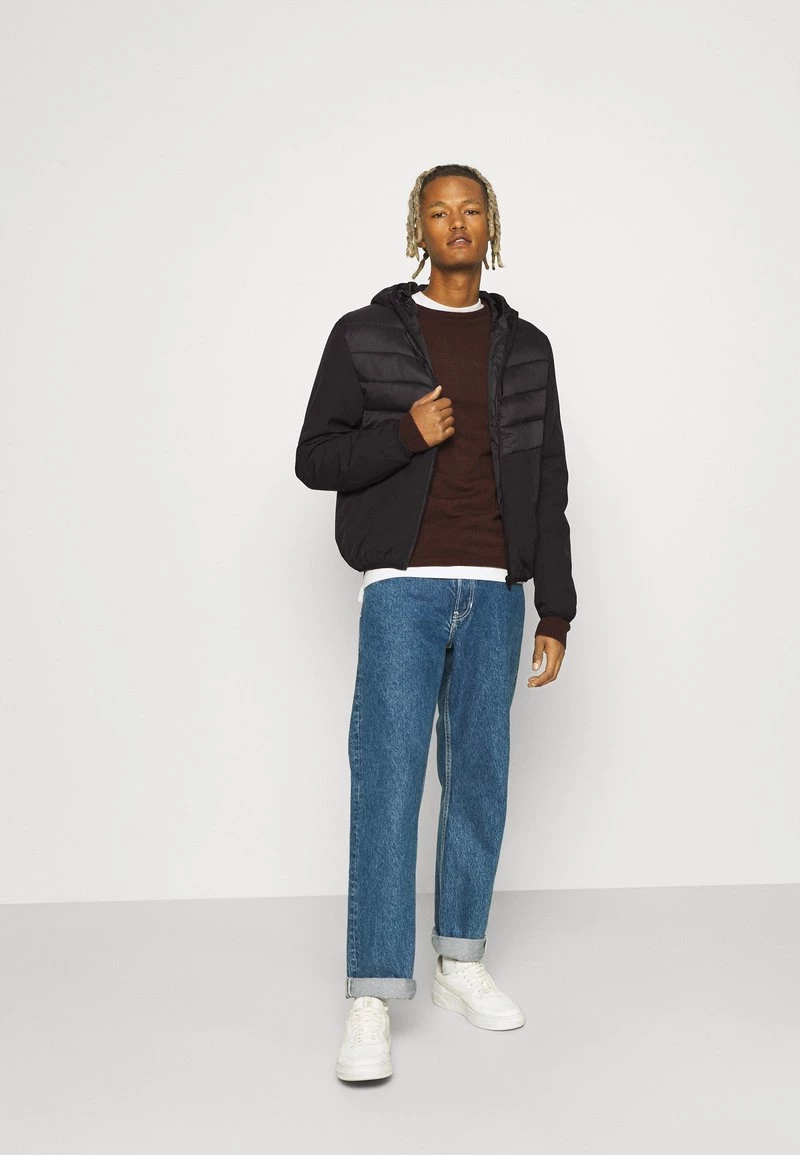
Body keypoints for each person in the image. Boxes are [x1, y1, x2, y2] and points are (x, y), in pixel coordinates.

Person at [295, 163, 577, 1082]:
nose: (457, 224)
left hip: (496, 592)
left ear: (491, 225)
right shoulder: (366, 334)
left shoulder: (526, 348)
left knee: (480, 779)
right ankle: (372, 992)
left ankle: (460, 960)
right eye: (439, 211)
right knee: (386, 781)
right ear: (418, 229)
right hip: (402, 589)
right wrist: (405, 434)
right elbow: (314, 458)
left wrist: (556, 606)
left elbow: (549, 484)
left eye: (471, 209)